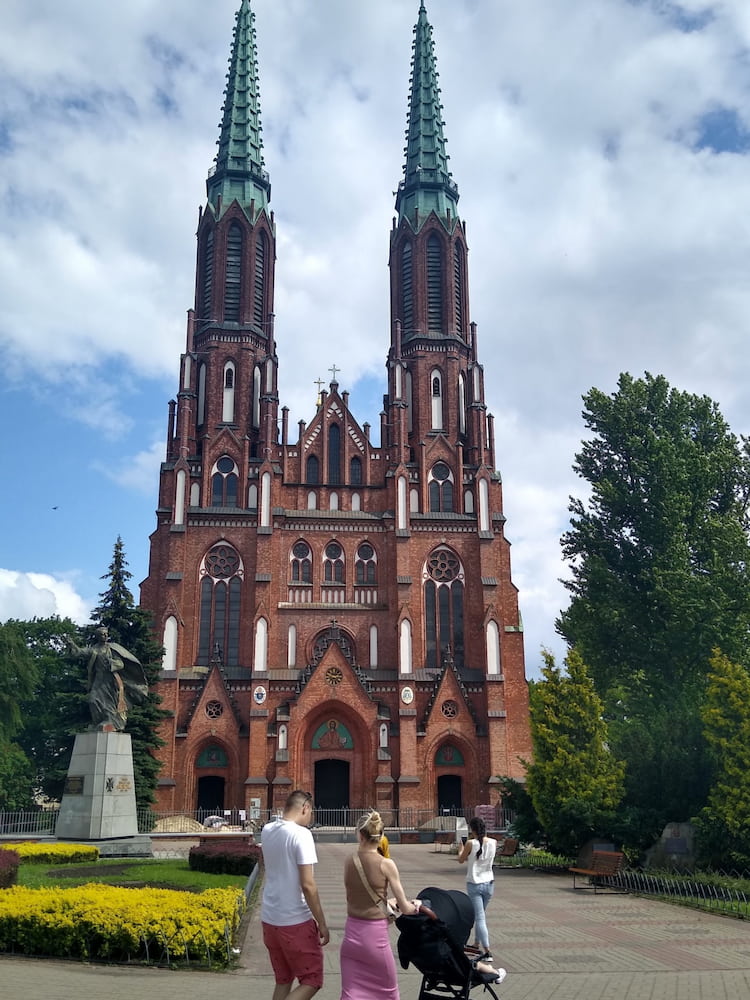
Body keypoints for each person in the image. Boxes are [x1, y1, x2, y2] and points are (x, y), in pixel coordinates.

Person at [340, 810, 421, 1000]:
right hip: (375, 939)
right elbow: (406, 909)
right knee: (388, 994)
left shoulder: (348, 861)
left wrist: (386, 902)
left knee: (350, 995)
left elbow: (354, 896)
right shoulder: (386, 864)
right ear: (382, 836)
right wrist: (417, 904)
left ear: (360, 834)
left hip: (351, 936)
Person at [261, 790, 329, 1000]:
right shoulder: (301, 834)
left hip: (269, 919)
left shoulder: (267, 829)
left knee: (283, 979)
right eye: (311, 813)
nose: (310, 819)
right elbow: (308, 885)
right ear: (305, 808)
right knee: (312, 980)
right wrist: (322, 923)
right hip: (295, 920)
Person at [66, 626, 148, 732]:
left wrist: (112, 663)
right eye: (102, 634)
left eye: (106, 634)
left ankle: (110, 721)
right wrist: (71, 644)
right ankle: (99, 722)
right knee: (93, 700)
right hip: (99, 678)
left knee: (109, 701)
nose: (105, 636)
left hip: (110, 679)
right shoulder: (94, 649)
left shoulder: (112, 648)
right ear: (97, 636)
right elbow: (80, 652)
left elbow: (120, 664)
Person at [458, 816, 498, 963]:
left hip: (474, 884)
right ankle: (476, 943)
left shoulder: (470, 843)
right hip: (489, 883)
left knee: (480, 917)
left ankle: (487, 952)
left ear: (472, 829)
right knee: (479, 915)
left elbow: (461, 860)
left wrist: (460, 848)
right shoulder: (494, 842)